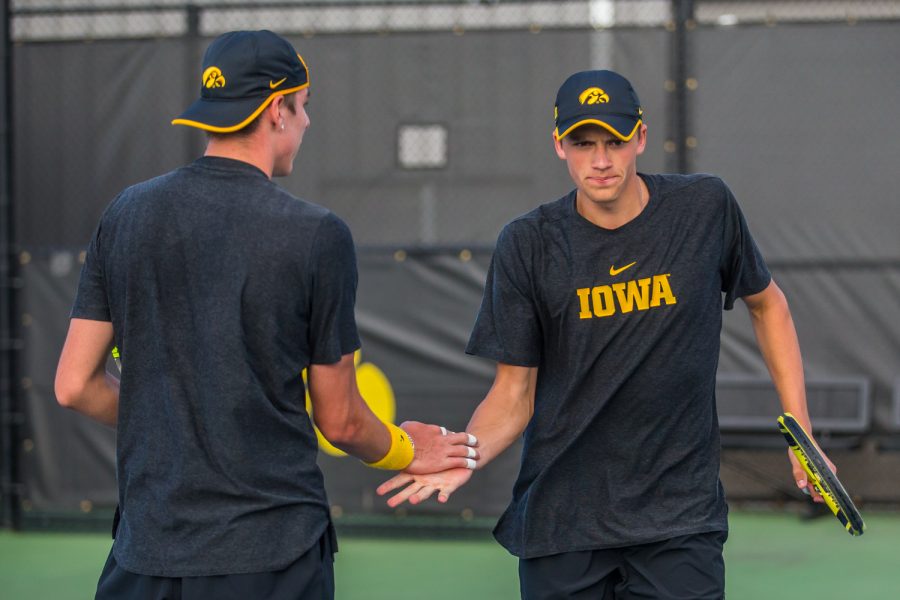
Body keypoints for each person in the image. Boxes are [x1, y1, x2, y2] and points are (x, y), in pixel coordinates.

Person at [378, 69, 833, 599]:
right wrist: (466, 455)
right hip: (563, 523)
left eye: (615, 141)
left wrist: (800, 432)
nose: (600, 160)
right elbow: (513, 393)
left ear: (641, 137)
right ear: (559, 146)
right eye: (582, 142)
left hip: (679, 521)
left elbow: (768, 305)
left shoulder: (706, 208)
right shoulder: (528, 244)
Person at [54, 30, 477, 600]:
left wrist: (173, 425)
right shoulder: (316, 234)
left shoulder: (126, 214)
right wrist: (411, 449)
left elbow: (74, 385)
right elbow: (342, 420)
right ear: (277, 109)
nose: (306, 123)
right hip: (270, 557)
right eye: (304, 107)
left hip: (143, 554)